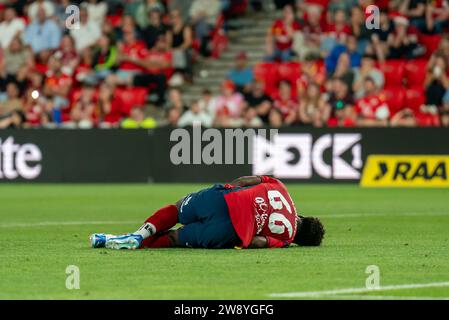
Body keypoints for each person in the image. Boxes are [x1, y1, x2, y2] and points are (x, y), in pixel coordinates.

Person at [90, 176, 325, 250]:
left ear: (303, 216)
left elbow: (246, 180)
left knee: (177, 208)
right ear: (300, 241)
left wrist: (225, 190)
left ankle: (138, 234)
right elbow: (258, 242)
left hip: (225, 199)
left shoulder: (282, 189)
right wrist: (238, 238)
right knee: (174, 238)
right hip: (228, 230)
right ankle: (116, 241)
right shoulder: (286, 239)